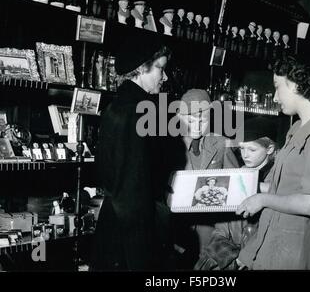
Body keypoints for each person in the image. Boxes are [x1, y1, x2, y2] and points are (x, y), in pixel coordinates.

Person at [235, 55, 310, 270]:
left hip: (295, 252)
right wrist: (239, 184)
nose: (275, 97)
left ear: (294, 85)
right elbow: (281, 187)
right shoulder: (297, 128)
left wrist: (262, 198)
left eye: (277, 87)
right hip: (271, 239)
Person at [90, 34, 171, 271]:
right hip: (135, 232)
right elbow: (136, 186)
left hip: (114, 224)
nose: (164, 77)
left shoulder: (115, 107)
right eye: (160, 69)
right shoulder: (144, 112)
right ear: (140, 69)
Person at [194, 117, 277, 270]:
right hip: (231, 245)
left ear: (270, 149)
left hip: (257, 253)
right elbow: (225, 221)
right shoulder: (240, 172)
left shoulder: (276, 178)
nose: (245, 155)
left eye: (252, 150)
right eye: (241, 149)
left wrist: (243, 256)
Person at [172, 88, 239, 269]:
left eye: (203, 119)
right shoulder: (168, 147)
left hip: (210, 235)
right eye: (190, 119)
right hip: (175, 232)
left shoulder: (221, 144)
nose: (197, 125)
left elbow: (236, 187)